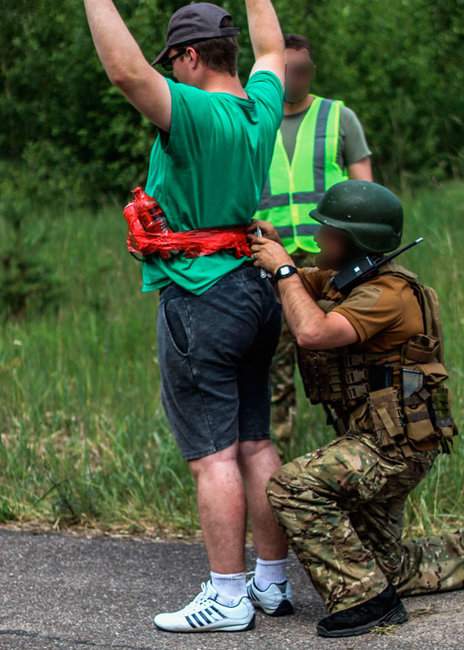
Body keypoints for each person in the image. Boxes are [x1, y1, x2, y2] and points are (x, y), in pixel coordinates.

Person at [83, 0, 293, 633]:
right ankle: (272, 583)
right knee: (257, 441)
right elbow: (275, 52)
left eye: (171, 59)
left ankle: (228, 597)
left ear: (190, 56)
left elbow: (124, 73)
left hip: (202, 296)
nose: (165, 71)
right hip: (256, 290)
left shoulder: (194, 112)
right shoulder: (259, 109)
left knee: (213, 455)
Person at [250, 180, 464, 638]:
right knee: (387, 566)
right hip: (383, 441)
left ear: (355, 241)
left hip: (392, 450)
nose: (319, 238)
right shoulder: (353, 280)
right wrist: (279, 256)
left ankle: (364, 603)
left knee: (292, 487)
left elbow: (313, 332)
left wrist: (284, 270)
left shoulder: (388, 295)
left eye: (328, 232)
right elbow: (301, 289)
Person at [254, 33, 374, 446]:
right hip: (269, 258)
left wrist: (365, 254)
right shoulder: (254, 121)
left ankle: (354, 446)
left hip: (331, 260)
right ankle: (278, 452)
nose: (294, 79)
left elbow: (367, 192)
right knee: (274, 363)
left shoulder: (339, 117)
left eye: (302, 70)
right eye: (286, 70)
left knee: (340, 358)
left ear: (312, 71)